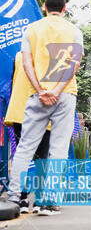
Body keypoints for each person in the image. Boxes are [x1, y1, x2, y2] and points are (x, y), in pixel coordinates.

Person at [7, 0, 83, 215]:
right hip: (65, 94)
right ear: (65, 8)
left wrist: (41, 90)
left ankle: (14, 197)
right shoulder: (74, 30)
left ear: (44, 7)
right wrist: (57, 90)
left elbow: (27, 63)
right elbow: (74, 64)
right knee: (58, 149)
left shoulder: (31, 30)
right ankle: (48, 201)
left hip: (37, 95)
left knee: (25, 147)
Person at [4, 52, 51, 213]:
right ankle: (39, 201)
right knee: (41, 159)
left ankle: (22, 198)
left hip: (20, 111)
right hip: (42, 110)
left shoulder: (18, 55)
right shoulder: (52, 55)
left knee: (22, 155)